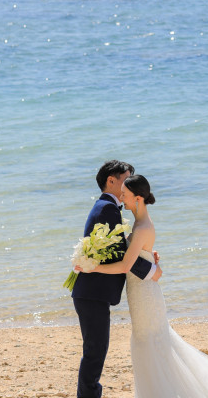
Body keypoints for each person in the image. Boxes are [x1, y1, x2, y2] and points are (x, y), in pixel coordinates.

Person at [76, 174, 208, 398]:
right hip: (140, 292)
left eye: (125, 195)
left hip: (145, 295)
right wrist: (150, 262)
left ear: (138, 198)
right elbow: (134, 256)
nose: (121, 198)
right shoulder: (138, 223)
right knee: (148, 345)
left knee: (150, 345)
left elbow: (126, 265)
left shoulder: (142, 226)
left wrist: (92, 268)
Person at [72, 160, 162, 398]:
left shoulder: (106, 207)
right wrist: (152, 271)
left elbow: (121, 249)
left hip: (93, 293)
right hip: (92, 292)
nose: (127, 188)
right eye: (125, 179)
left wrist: (146, 255)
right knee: (95, 351)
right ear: (111, 180)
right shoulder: (107, 208)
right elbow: (123, 258)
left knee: (96, 349)